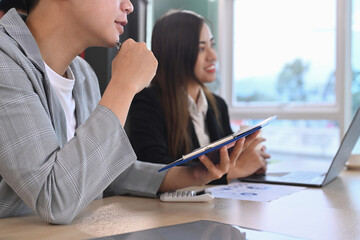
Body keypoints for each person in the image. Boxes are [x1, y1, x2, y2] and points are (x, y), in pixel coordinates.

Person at [0, 1, 252, 224]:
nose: (129, 5)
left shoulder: (84, 74)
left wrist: (190, 174)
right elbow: (54, 198)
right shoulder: (4, 61)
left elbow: (102, 174)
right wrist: (123, 86)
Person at [127, 10, 270, 184]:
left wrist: (250, 157)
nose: (213, 56)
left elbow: (225, 161)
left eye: (212, 45)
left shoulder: (218, 105)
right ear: (177, 54)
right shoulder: (147, 102)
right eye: (201, 48)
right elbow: (154, 170)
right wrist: (237, 170)